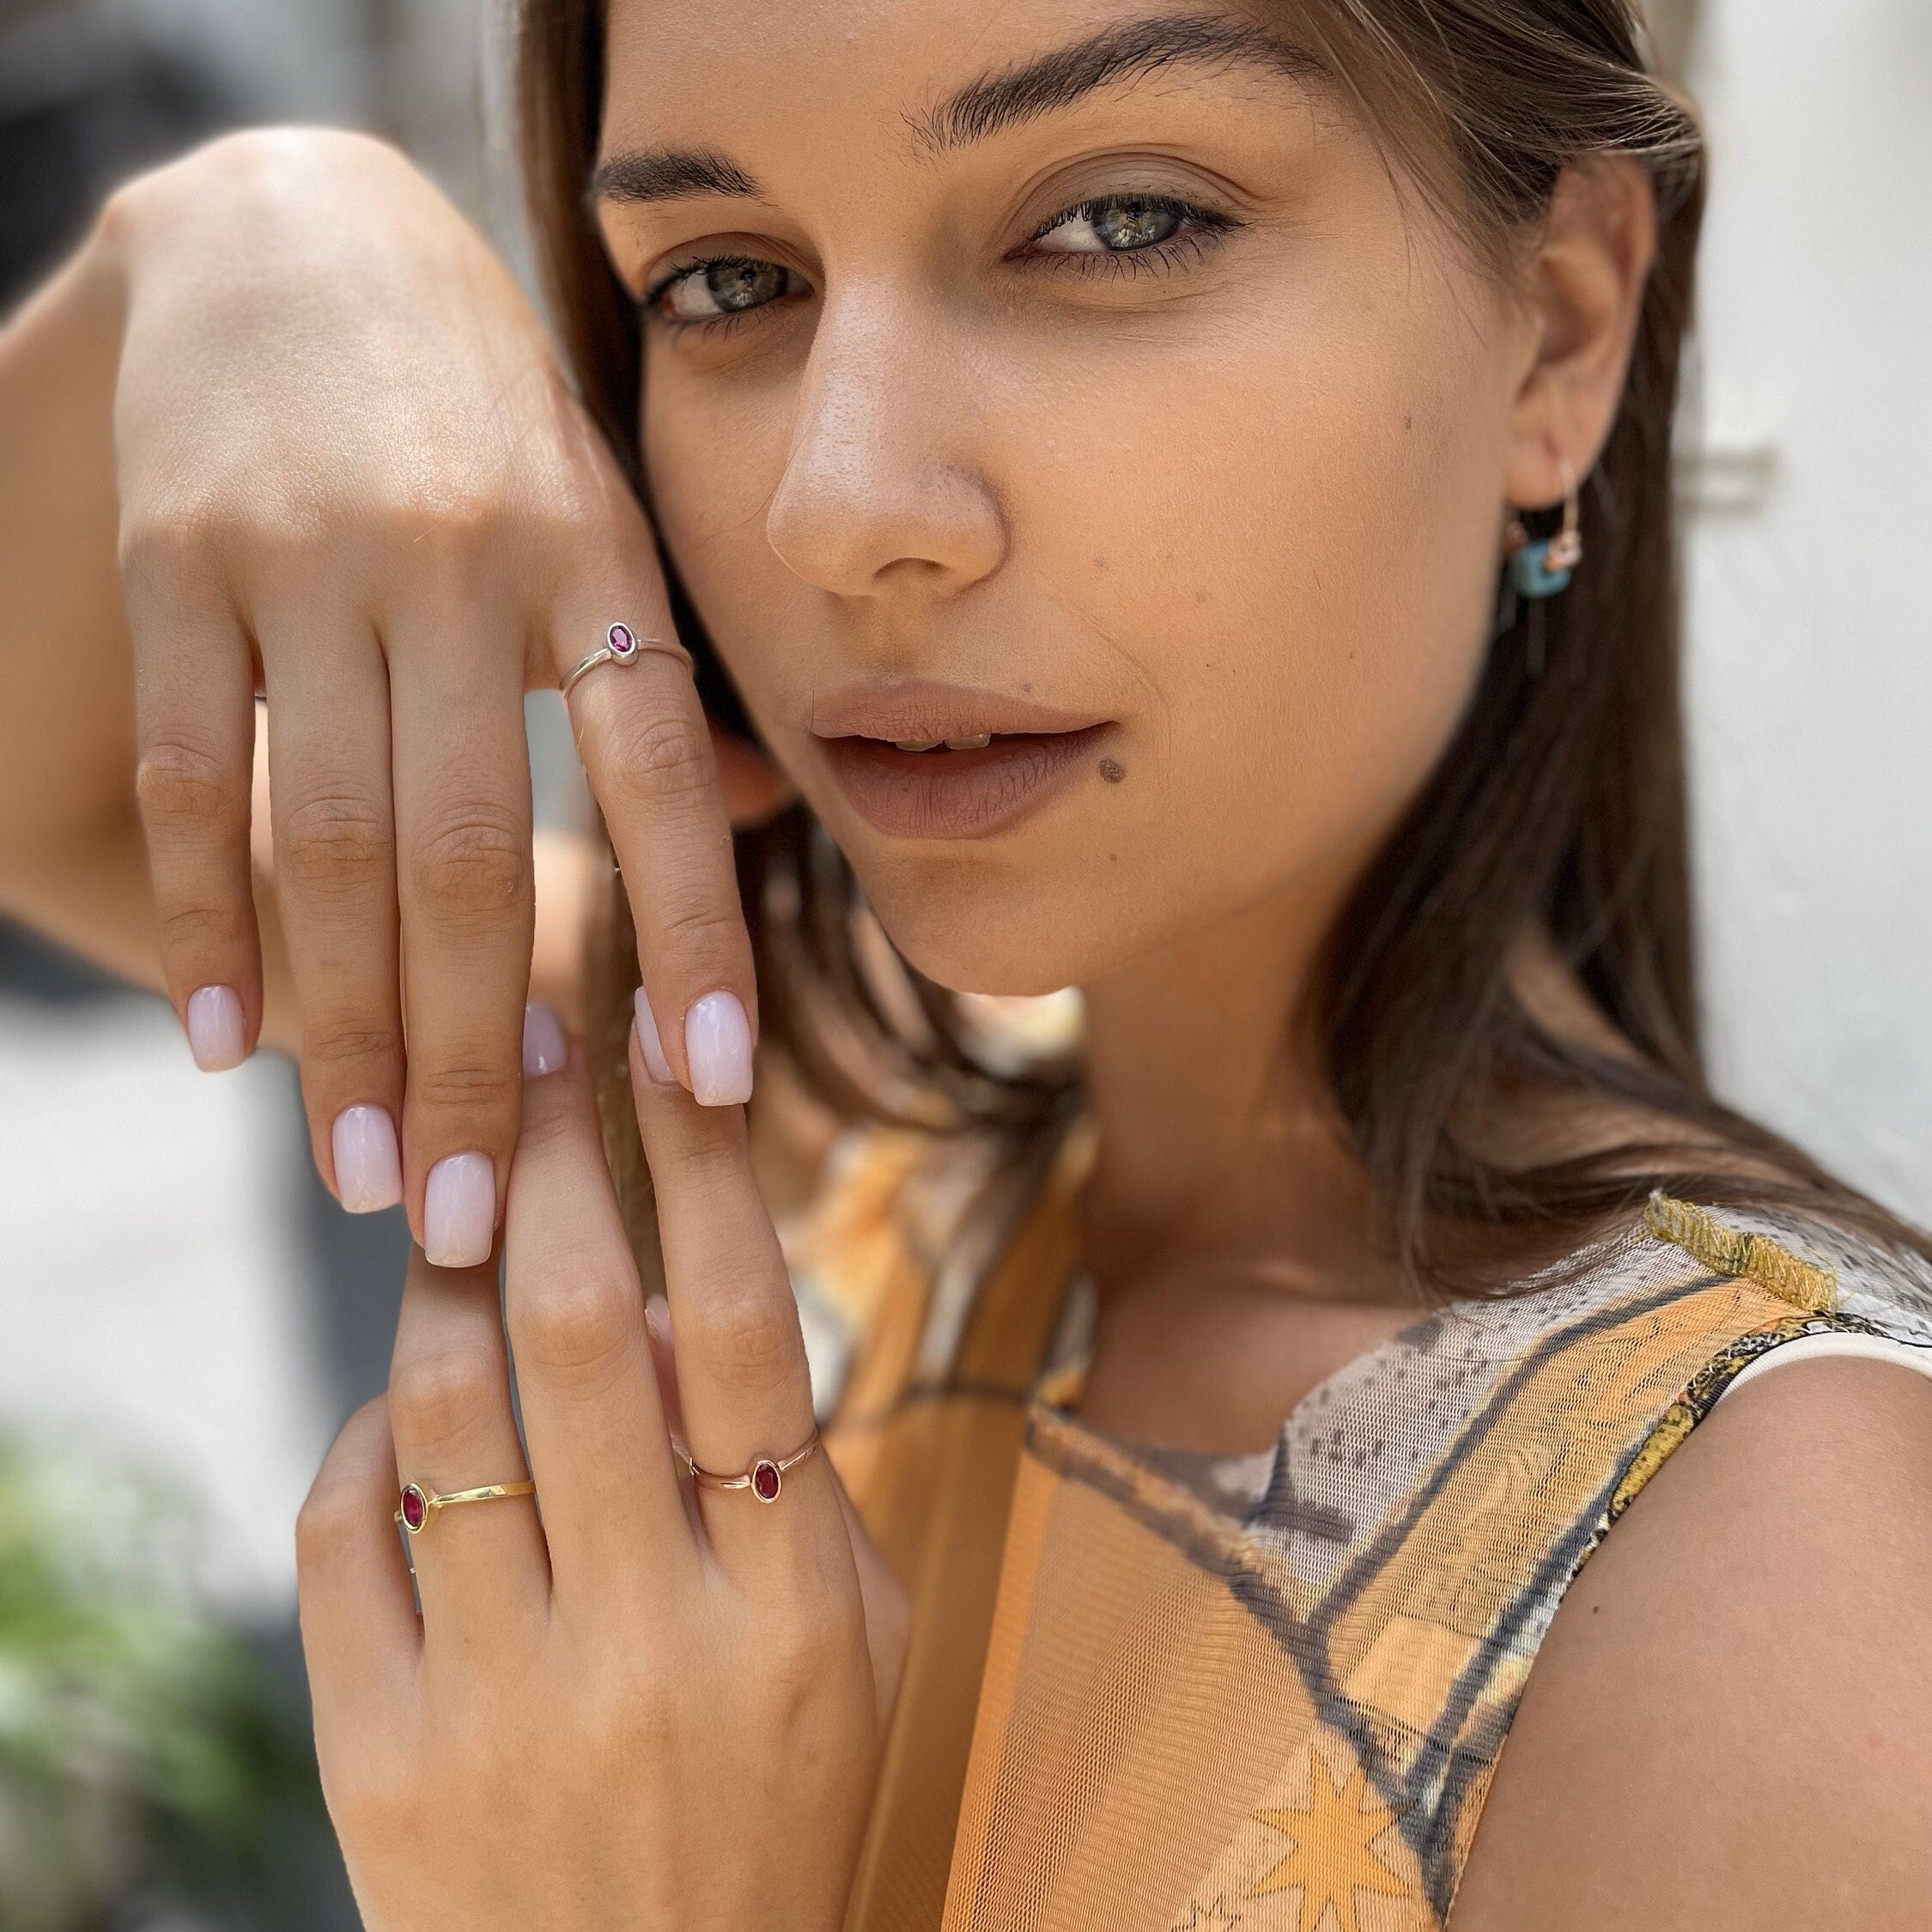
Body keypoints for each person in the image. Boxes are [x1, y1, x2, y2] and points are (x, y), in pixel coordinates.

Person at [2, 1, 1929, 1925]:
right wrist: (243, 234)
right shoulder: (875, 1137)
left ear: (1566, 326)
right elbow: (53, 795)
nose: (840, 511)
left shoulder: (1797, 1593)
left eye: (1115, 225)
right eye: (727, 277)